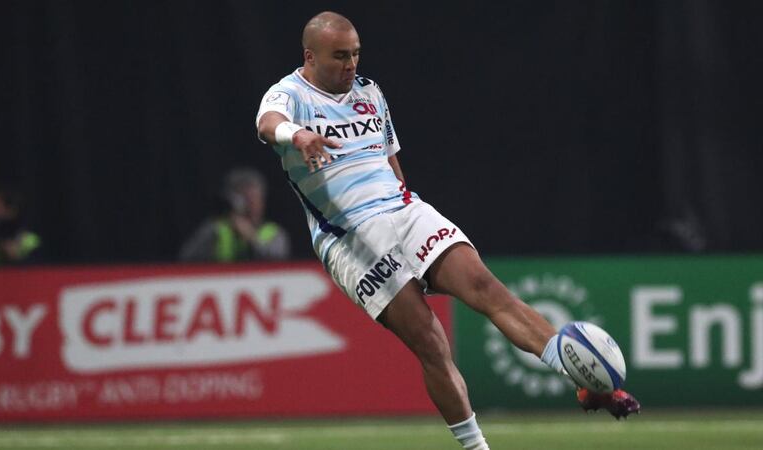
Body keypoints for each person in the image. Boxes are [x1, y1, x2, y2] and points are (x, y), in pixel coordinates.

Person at [256, 11, 639, 449]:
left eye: (356, 54)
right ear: (310, 56)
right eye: (340, 56)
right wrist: (297, 135)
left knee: (487, 288)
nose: (351, 64)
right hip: (349, 235)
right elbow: (268, 123)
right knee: (431, 342)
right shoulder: (290, 94)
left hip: (404, 210)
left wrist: (408, 212)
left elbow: (389, 158)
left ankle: (585, 380)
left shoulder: (369, 92)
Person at [179, 167, 290, 262]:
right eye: (245, 198)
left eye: (254, 198)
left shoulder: (275, 234)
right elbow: (186, 259)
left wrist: (251, 238)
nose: (250, 204)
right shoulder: (215, 229)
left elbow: (279, 264)